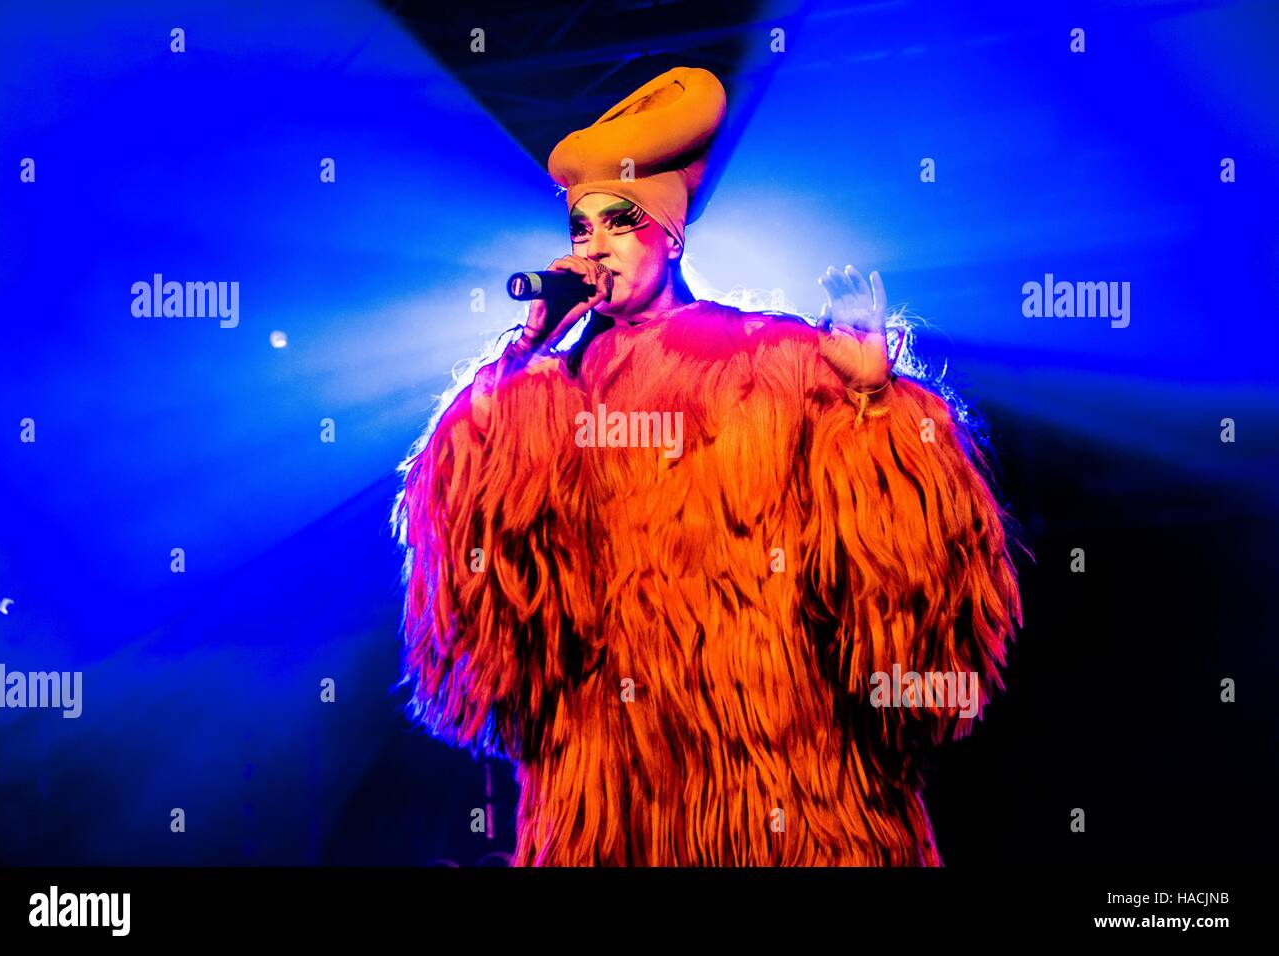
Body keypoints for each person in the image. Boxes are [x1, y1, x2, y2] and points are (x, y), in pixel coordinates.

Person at [392, 67, 1023, 865]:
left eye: (619, 222)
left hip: (785, 774)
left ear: (671, 232)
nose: (595, 248)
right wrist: (521, 359)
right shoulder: (551, 392)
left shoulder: (776, 357)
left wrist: (874, 404)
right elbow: (489, 584)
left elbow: (907, 575)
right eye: (582, 230)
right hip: (615, 789)